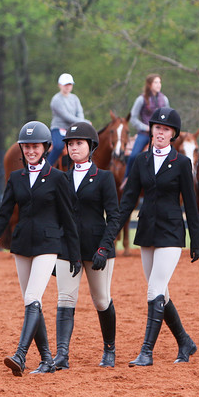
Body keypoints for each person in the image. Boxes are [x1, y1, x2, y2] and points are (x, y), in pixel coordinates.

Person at [0, 121, 81, 376]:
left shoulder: (58, 178)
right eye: (26, 147)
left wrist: (74, 254)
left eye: (35, 146)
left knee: (32, 298)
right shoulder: (16, 178)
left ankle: (21, 355)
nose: (30, 151)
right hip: (22, 245)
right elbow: (3, 215)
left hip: (48, 245)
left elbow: (68, 218)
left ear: (45, 148)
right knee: (31, 301)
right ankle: (46, 359)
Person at [118, 107, 199, 366]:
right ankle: (185, 342)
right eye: (157, 128)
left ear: (173, 134)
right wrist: (110, 231)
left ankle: (146, 351)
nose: (160, 132)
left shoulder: (182, 163)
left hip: (171, 232)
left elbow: (190, 204)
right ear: (152, 131)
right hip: (147, 232)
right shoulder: (141, 161)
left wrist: (196, 239)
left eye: (165, 129)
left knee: (154, 291)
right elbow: (128, 200)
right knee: (161, 293)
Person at [54, 121, 120, 368]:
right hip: (67, 249)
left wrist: (104, 248)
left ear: (91, 146)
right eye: (70, 144)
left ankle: (109, 350)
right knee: (65, 299)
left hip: (96, 247)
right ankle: (62, 355)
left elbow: (114, 217)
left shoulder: (104, 178)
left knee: (101, 300)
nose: (73, 148)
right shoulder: (62, 178)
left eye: (78, 143)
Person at [125, 74, 170, 179]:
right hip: (145, 134)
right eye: (156, 82)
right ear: (149, 85)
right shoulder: (141, 99)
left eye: (160, 82)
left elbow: (169, 116)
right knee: (133, 156)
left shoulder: (165, 99)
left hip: (162, 134)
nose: (159, 85)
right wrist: (146, 128)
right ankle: (127, 180)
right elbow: (133, 118)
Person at [47, 73, 86, 166]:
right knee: (58, 146)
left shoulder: (75, 98)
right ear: (60, 85)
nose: (67, 87)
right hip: (59, 128)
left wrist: (82, 122)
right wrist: (83, 122)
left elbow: (80, 112)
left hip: (73, 128)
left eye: (69, 84)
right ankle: (46, 167)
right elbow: (66, 116)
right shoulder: (56, 100)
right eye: (65, 84)